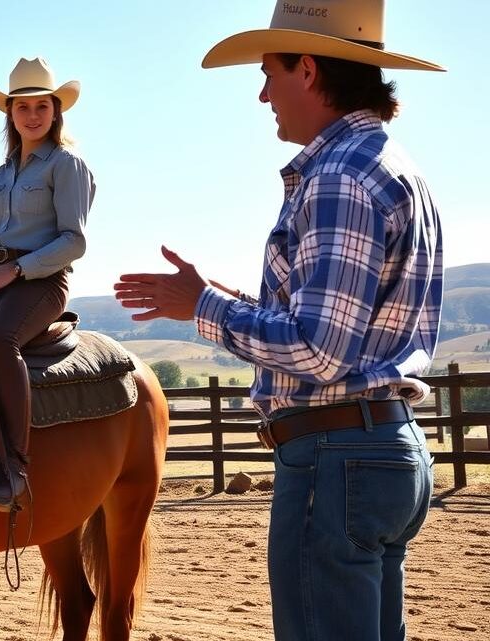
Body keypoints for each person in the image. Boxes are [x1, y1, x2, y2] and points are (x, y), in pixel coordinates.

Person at [114, 2, 443, 640]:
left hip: (333, 454)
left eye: (269, 72)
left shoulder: (339, 178)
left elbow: (320, 353)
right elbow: (338, 321)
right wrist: (221, 296)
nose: (263, 94)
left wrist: (202, 307)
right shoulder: (390, 165)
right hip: (384, 448)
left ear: (309, 70)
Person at [0, 57, 95, 514]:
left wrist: (15, 271)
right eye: (22, 108)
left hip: (44, 282)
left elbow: (74, 241)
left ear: (56, 111)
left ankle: (13, 470)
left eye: (41, 107)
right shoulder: (2, 173)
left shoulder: (67, 164)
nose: (32, 116)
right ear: (10, 115)